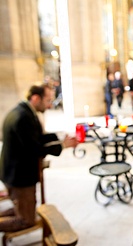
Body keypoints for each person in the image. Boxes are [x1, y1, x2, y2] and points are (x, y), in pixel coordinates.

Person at [0, 83, 78, 232]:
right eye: (48, 100)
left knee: (23, 207)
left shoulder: (24, 112)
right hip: (18, 177)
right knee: (26, 220)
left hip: (13, 172)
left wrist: (60, 137)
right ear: (36, 98)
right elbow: (34, 149)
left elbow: (36, 137)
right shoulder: (23, 117)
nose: (49, 105)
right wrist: (63, 146)